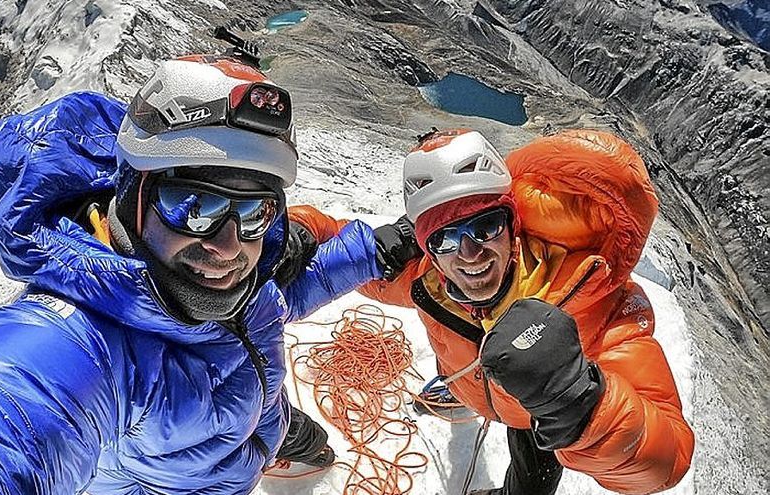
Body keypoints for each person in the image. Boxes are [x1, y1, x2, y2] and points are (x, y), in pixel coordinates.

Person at [0, 55, 385, 493]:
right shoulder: (85, 341)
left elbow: (278, 303)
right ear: (130, 197)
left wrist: (381, 247)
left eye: (255, 213)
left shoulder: (225, 279)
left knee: (300, 435)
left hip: (249, 417)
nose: (229, 246)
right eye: (193, 205)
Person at [289, 128, 695, 494]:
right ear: (424, 245)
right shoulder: (423, 278)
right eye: (444, 239)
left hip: (532, 414)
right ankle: (460, 393)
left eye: (485, 228)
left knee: (528, 487)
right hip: (467, 378)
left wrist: (574, 402)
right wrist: (293, 233)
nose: (469, 255)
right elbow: (333, 238)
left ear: (513, 224)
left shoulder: (588, 296)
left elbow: (667, 459)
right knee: (460, 364)